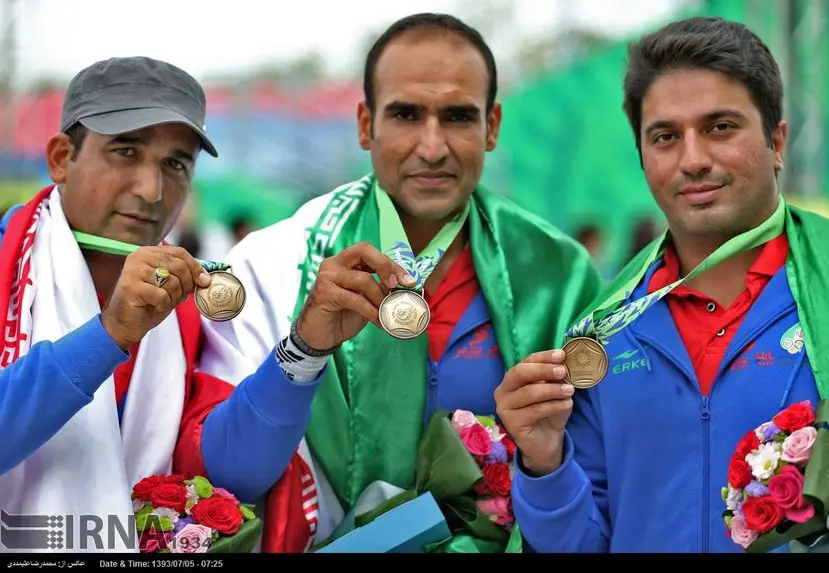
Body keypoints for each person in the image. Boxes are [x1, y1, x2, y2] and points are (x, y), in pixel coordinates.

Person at [197, 12, 603, 552]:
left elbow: (595, 501)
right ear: (366, 124)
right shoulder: (278, 263)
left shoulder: (557, 273)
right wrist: (305, 348)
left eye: (457, 117)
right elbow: (231, 476)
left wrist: (542, 462)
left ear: (492, 126)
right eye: (406, 115)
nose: (432, 148)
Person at [496, 16, 829, 553]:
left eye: (720, 127)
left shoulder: (822, 285)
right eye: (666, 137)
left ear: (777, 141)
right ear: (643, 156)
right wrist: (544, 463)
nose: (693, 160)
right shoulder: (603, 331)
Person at [0, 56, 334, 553]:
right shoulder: (8, 263)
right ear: (61, 158)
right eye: (125, 151)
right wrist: (109, 335)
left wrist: (305, 350)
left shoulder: (188, 303)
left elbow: (230, 476)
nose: (151, 190)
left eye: (175, 164)